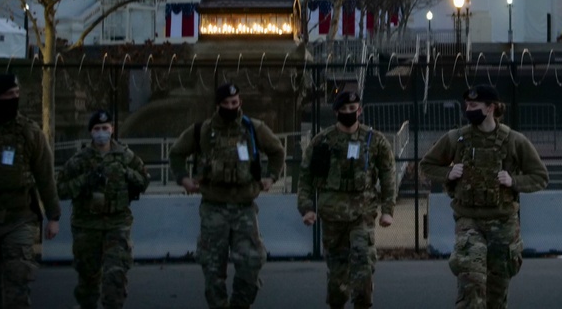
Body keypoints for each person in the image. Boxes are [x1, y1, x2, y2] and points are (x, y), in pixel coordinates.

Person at [419, 84, 548, 309]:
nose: (468, 109)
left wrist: (513, 181)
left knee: (496, 294)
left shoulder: (514, 141)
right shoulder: (457, 138)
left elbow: (540, 176)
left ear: (490, 108)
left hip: (503, 224)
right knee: (471, 282)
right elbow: (427, 165)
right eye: (467, 105)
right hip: (469, 221)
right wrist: (448, 173)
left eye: (474, 105)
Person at [169, 82, 286, 309]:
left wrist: (271, 177)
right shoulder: (202, 131)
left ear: (240, 102)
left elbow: (277, 151)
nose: (231, 107)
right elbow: (176, 153)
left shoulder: (253, 128)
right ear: (218, 105)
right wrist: (183, 179)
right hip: (214, 207)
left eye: (234, 102)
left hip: (244, 208)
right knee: (212, 268)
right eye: (226, 103)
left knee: (251, 263)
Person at [297, 90, 396, 309]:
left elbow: (388, 175)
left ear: (360, 110)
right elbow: (305, 177)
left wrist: (388, 210)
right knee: (337, 283)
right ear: (336, 112)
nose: (349, 112)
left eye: (353, 108)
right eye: (344, 109)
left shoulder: (375, 140)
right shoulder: (322, 141)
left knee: (363, 266)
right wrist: (306, 208)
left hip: (362, 214)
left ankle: (362, 301)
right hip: (333, 216)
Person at [56, 109, 150, 309]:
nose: (101, 132)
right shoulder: (80, 159)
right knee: (87, 281)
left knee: (115, 275)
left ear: (112, 129)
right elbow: (61, 189)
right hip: (87, 226)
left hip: (117, 224)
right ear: (91, 132)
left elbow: (144, 180)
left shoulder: (125, 156)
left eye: (105, 128)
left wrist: (126, 173)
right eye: (97, 129)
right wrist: (84, 180)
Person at [0, 73, 60, 308]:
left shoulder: (29, 132)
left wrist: (53, 216)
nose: (14, 98)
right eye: (8, 94)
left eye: (16, 93)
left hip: (19, 218)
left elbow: (45, 177)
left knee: (17, 282)